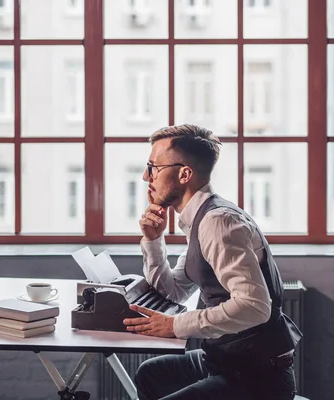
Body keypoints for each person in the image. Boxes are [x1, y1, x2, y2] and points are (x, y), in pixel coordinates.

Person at [123, 124, 303, 400]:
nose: (147, 176)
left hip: (258, 378)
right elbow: (173, 292)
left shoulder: (217, 222)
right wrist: (153, 239)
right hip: (224, 359)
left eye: (154, 167)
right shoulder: (199, 219)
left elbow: (254, 307)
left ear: (184, 174)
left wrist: (174, 325)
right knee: (151, 373)